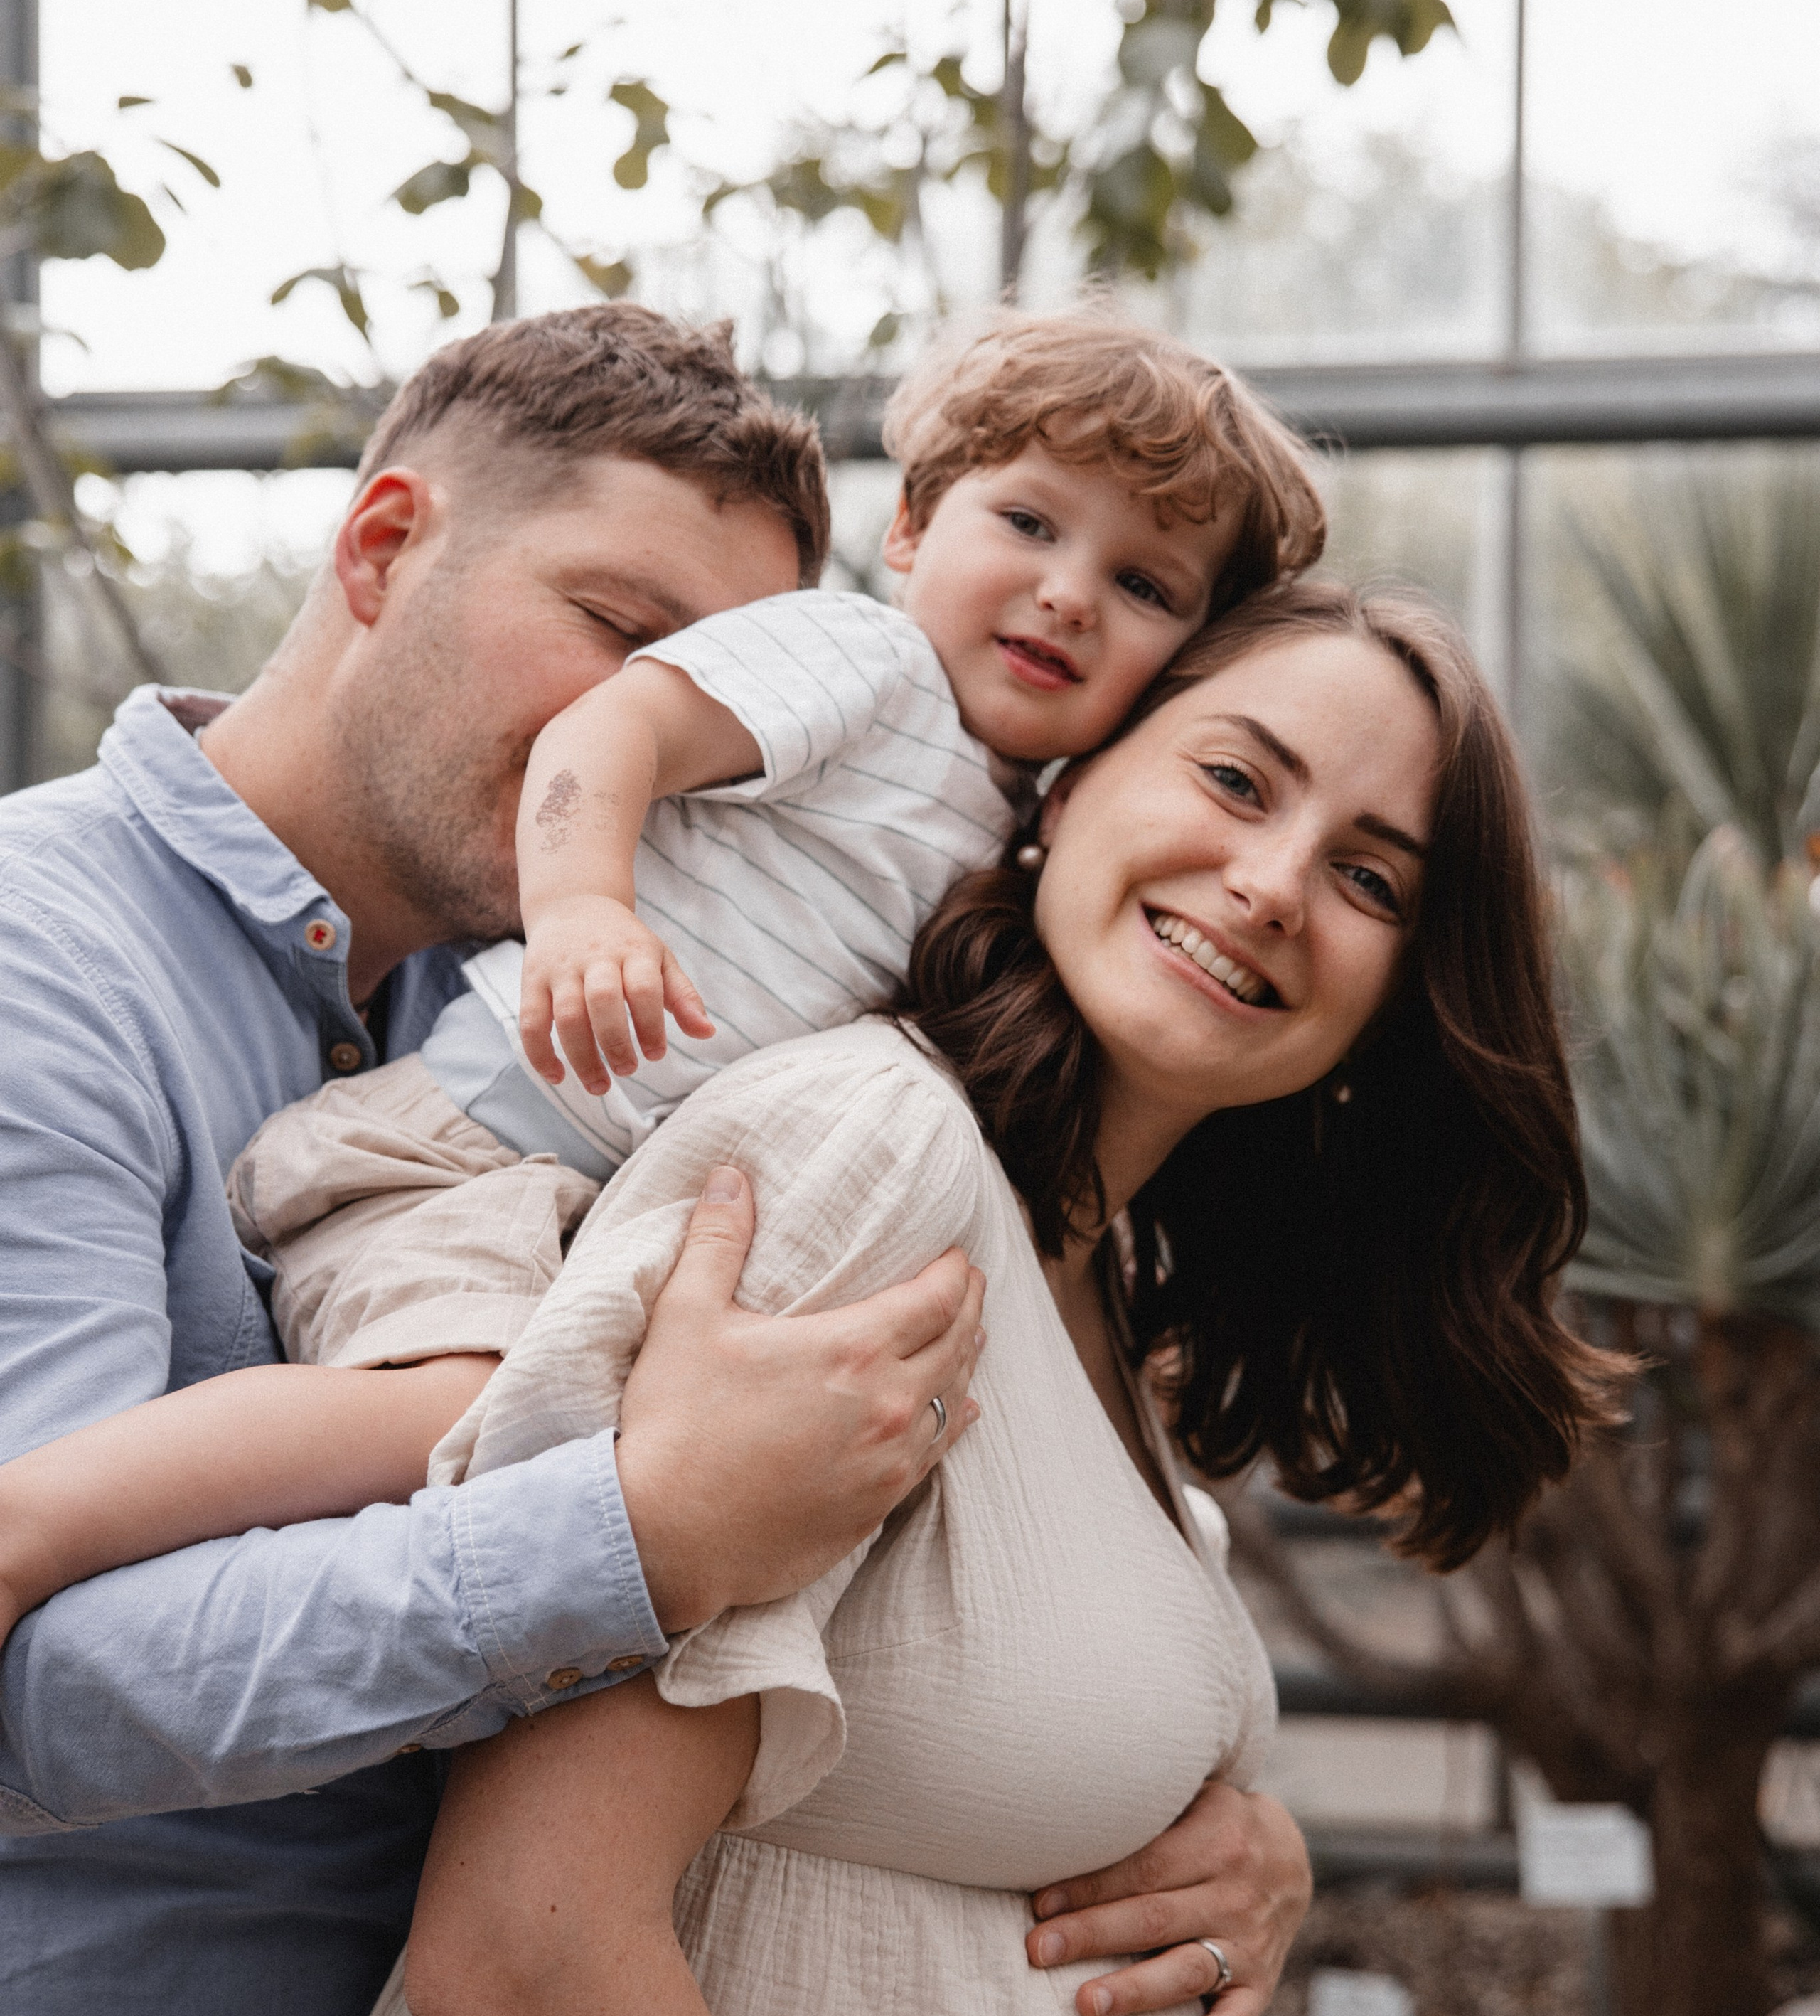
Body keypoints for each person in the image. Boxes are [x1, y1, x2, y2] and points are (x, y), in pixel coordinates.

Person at [0, 305, 1315, 2016]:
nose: (690, 732)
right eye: (623, 631)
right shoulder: (46, 970)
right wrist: (641, 1527)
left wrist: (1201, 1825)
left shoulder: (540, 988)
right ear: (382, 548)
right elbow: (48, 1701)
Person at [192, 582, 1627, 2016]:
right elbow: (524, 1953)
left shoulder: (1092, 1281)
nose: (1271, 883)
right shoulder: (877, 1161)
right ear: (1063, 789)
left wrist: (1250, 1850)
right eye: (1235, 781)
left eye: (1370, 879)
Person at [0, 304, 1327, 1631]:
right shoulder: (864, 664)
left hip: (578, 1201)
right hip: (475, 1157)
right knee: (478, 1409)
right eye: (1029, 524)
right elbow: (614, 732)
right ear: (913, 529)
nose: (1071, 593)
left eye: (1146, 587)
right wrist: (581, 909)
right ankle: (40, 1519)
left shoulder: (1018, 834)